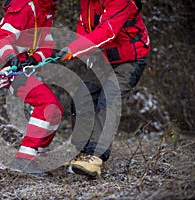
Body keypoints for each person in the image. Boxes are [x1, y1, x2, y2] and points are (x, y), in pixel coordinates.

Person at [57, 0, 151, 176]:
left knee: (109, 98)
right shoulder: (86, 2)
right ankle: (81, 151)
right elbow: (83, 26)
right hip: (103, 61)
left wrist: (75, 49)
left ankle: (95, 156)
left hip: (130, 61)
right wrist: (80, 47)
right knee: (82, 97)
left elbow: (108, 31)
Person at [0, 0, 62, 173]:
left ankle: (40, 155)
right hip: (9, 67)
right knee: (47, 103)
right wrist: (9, 56)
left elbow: (46, 44)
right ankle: (24, 158)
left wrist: (35, 58)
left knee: (55, 110)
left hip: (25, 66)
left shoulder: (46, 8)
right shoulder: (25, 5)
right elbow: (0, 38)